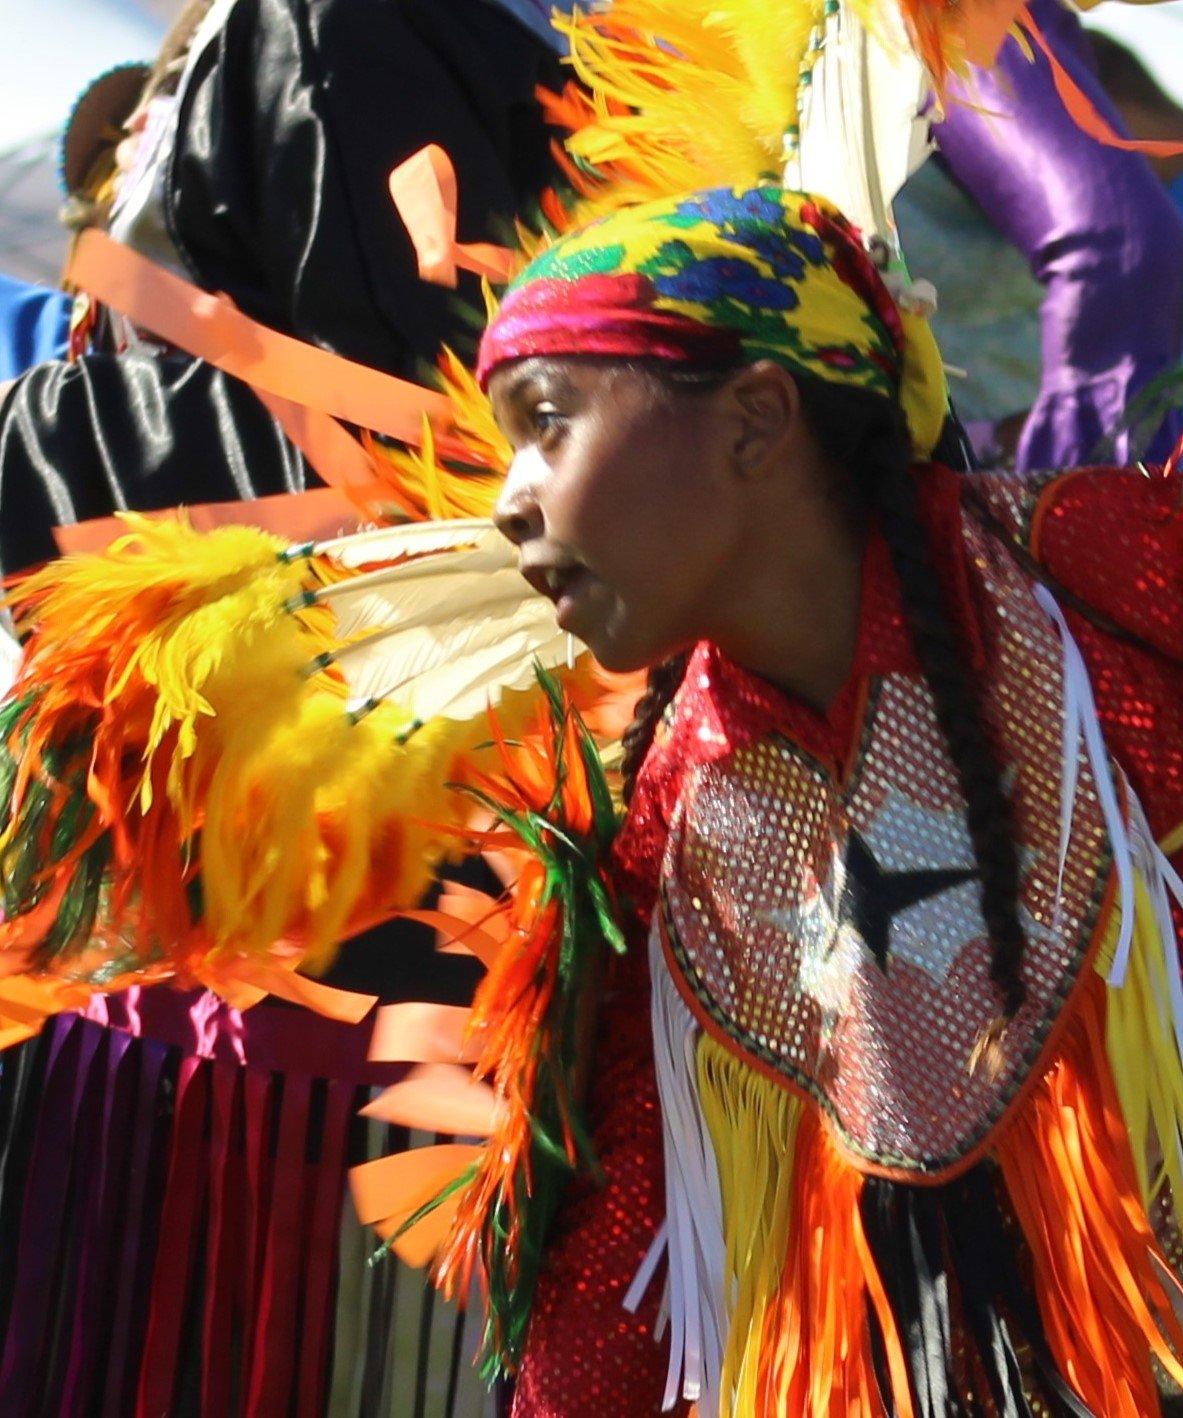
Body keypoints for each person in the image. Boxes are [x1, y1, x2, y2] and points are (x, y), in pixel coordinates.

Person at [472, 182, 1183, 1415]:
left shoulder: (1089, 579)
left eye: (546, 422)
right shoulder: (658, 840)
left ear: (754, 421)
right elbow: (614, 1270)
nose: (507, 499)